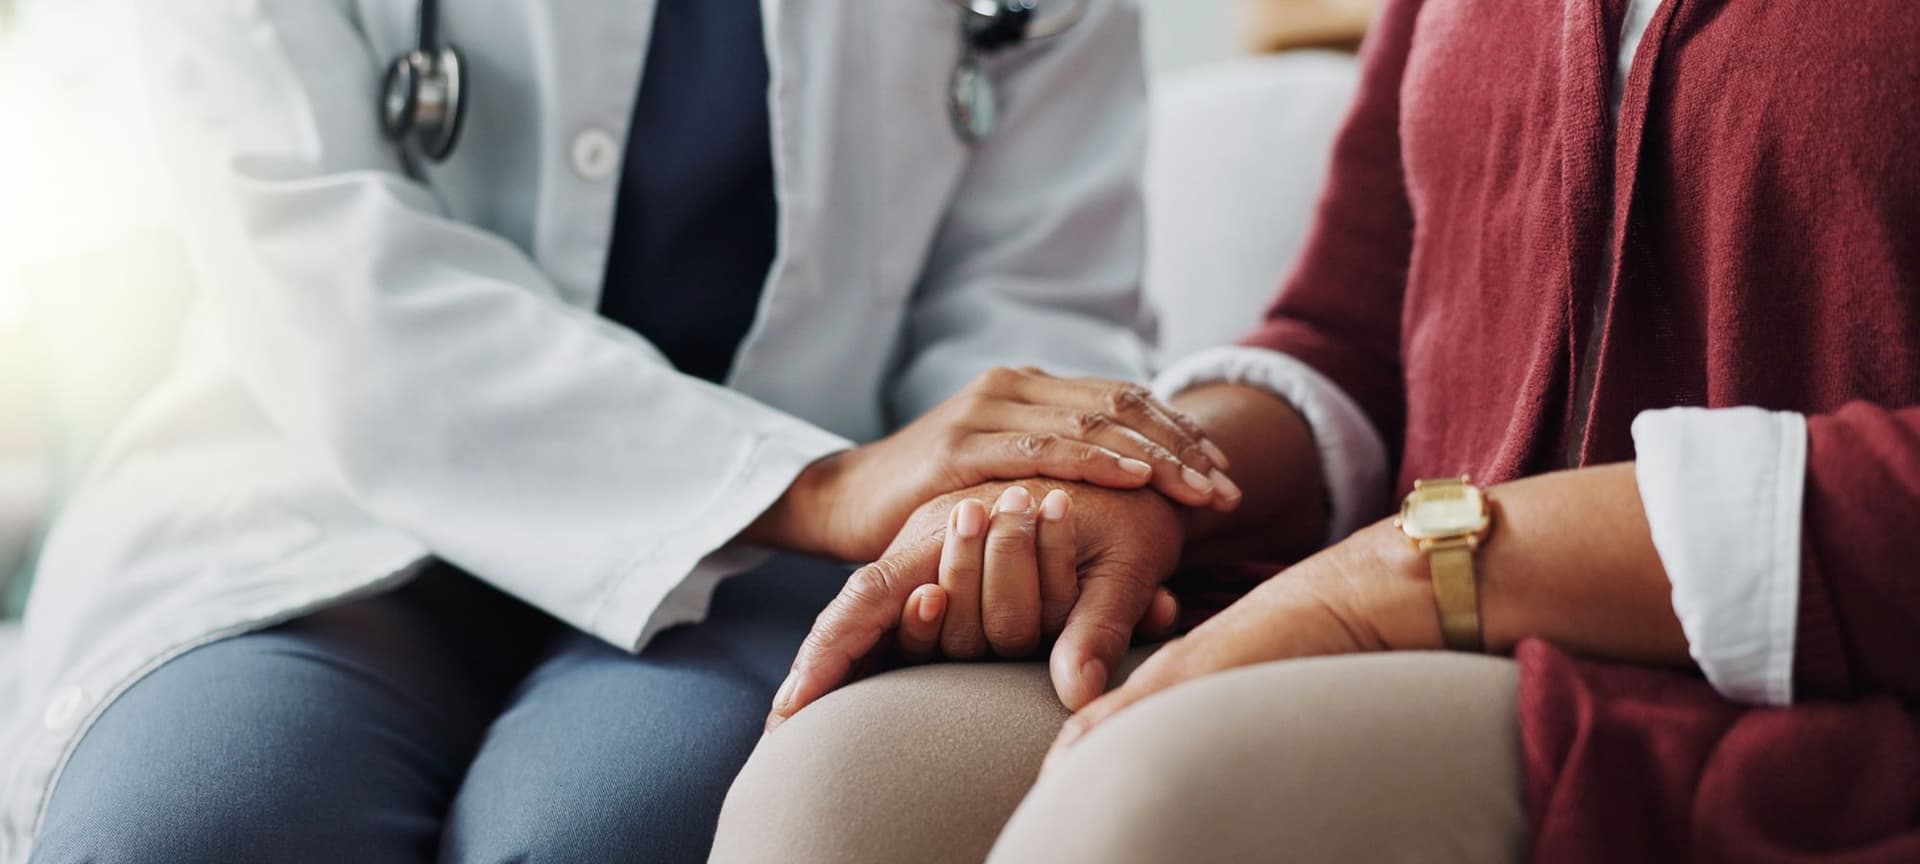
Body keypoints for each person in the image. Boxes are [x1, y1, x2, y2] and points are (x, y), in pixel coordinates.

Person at [0, 1, 1248, 861]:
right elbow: (314, 264)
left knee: (616, 833)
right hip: (317, 507)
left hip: (778, 575)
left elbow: (1032, 298)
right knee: (194, 830)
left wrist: (999, 510)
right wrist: (823, 483)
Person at [716, 0, 1920, 861]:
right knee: (848, 788)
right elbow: (1356, 330)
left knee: (1158, 808)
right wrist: (1139, 474)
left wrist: (1431, 567)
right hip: (1422, 638)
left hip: (1816, 698)